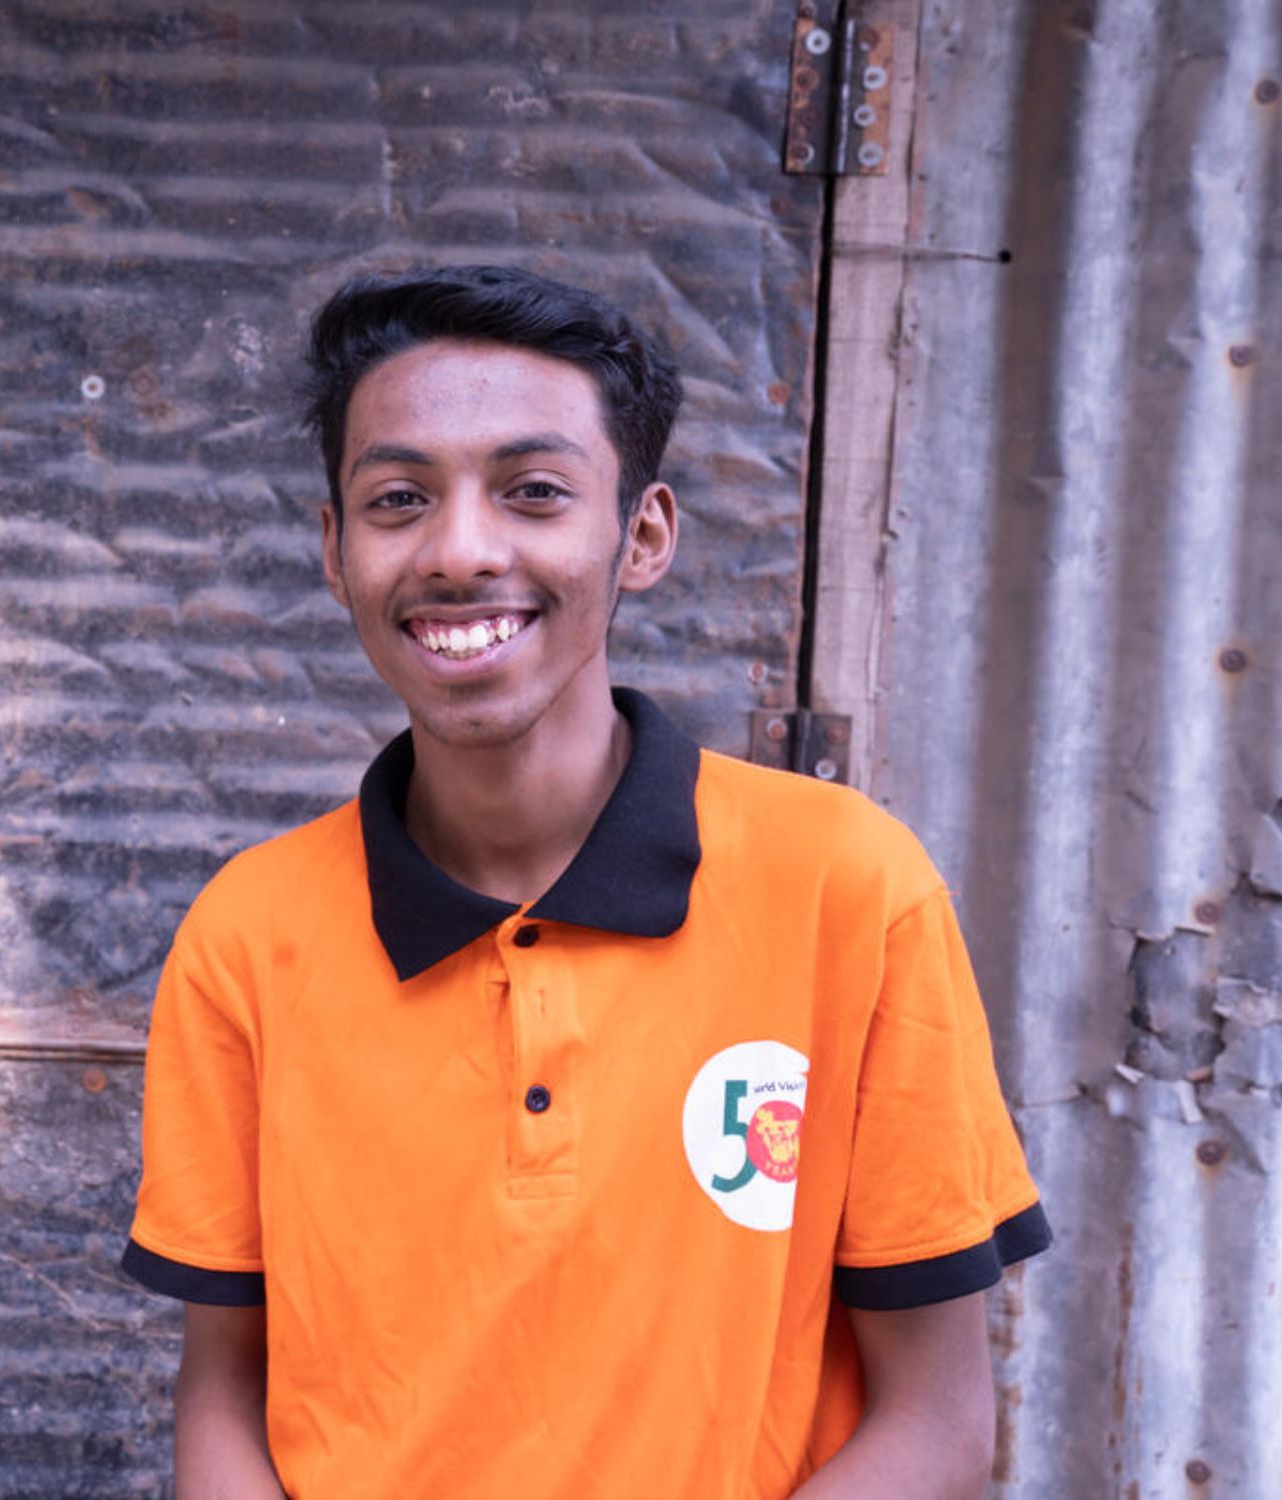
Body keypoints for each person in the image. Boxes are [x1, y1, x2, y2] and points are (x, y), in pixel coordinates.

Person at [119, 265, 1050, 1499]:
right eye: (397, 499)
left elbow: (934, 1424)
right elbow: (223, 1398)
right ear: (335, 552)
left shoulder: (844, 887)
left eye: (534, 492)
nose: (458, 551)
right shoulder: (250, 932)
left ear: (642, 534)